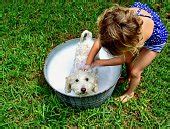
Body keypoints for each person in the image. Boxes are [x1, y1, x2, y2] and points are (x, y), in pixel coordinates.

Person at [84, 2, 168, 103]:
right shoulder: (113, 23)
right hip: (139, 20)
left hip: (156, 39)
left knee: (135, 71)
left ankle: (129, 93)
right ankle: (127, 77)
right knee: (129, 64)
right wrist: (88, 63)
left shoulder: (138, 38)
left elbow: (125, 58)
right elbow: (98, 41)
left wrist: (99, 62)